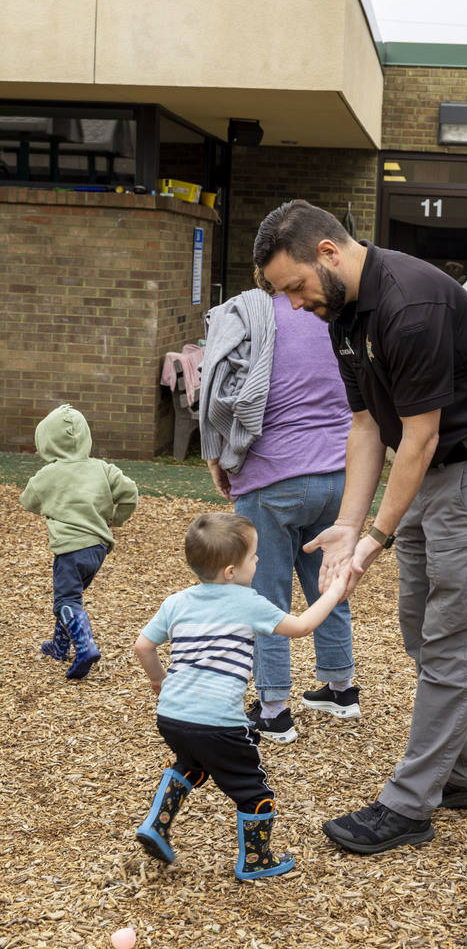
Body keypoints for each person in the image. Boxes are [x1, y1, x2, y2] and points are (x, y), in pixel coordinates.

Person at [253, 199, 467, 856]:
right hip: (433, 472)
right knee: (419, 628)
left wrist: (374, 538)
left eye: (293, 286)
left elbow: (421, 432)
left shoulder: (409, 304)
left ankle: (409, 805)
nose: (292, 303)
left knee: (452, 637)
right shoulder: (343, 314)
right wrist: (348, 527)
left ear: (327, 252)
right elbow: (366, 425)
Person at [134, 512, 351, 878]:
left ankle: (156, 824)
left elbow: (143, 646)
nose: (258, 560)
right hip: (220, 723)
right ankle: (256, 861)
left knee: (190, 763)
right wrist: (333, 591)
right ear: (231, 572)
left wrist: (159, 682)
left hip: (172, 716)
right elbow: (301, 626)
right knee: (254, 792)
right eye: (253, 556)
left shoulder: (176, 602)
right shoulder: (249, 602)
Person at [199, 285, 358, 745]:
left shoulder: (249, 318)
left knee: (265, 594)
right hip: (338, 475)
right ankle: (340, 687)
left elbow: (218, 390)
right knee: (326, 579)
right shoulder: (334, 316)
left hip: (274, 476)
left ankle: (273, 708)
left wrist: (217, 456)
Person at [19, 403, 138, 680]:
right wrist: (115, 518)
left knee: (66, 601)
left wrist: (53, 504)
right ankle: (60, 646)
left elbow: (28, 500)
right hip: (97, 550)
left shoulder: (48, 475)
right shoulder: (102, 468)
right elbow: (130, 492)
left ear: (45, 442)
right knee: (72, 597)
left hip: (69, 551)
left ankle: (85, 646)